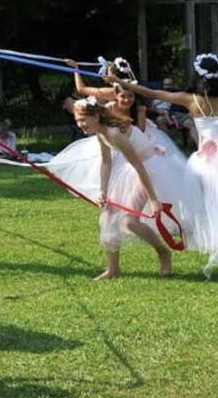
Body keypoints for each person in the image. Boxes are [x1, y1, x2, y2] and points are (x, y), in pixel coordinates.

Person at [116, 55, 218, 285]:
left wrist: (122, 83)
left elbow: (154, 93)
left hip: (204, 165)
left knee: (217, 214)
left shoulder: (191, 100)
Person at [46, 95, 203, 281]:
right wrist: (102, 192)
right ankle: (113, 268)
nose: (80, 124)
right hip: (133, 170)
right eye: (77, 120)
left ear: (95, 117)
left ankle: (163, 252)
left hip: (149, 169)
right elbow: (106, 162)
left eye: (83, 119)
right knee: (107, 217)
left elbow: (139, 165)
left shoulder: (114, 134)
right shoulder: (100, 133)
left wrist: (154, 200)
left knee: (129, 222)